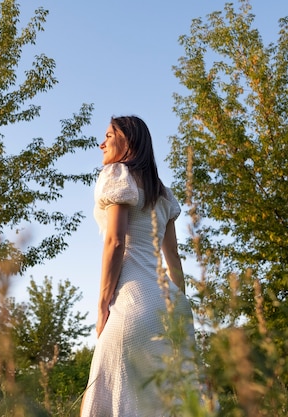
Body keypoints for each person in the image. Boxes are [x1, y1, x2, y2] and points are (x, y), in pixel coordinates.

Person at [80, 116, 203, 416]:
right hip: (172, 305)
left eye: (109, 135)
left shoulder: (116, 174)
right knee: (167, 401)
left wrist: (102, 306)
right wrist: (180, 306)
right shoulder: (163, 194)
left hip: (134, 304)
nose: (102, 143)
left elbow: (115, 243)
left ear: (128, 141)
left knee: (108, 396)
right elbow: (173, 257)